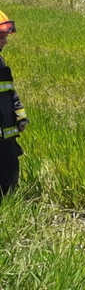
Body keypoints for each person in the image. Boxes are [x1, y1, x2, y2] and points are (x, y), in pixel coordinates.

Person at [0, 10, 29, 198]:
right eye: (1, 37)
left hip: (6, 139)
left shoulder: (0, 62)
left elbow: (9, 91)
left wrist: (19, 113)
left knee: (9, 180)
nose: (5, 42)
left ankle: (9, 210)